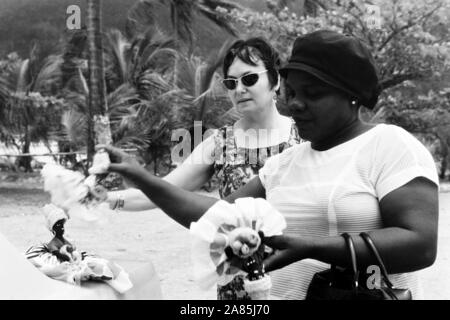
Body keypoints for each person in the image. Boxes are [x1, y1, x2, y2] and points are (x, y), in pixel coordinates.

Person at [100, 30, 439, 300]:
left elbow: (420, 244)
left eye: (312, 93)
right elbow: (217, 216)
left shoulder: (389, 146)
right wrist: (140, 176)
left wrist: (311, 247)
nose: (297, 104)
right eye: (292, 93)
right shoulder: (283, 164)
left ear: (351, 95)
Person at [107, 37, 301, 300]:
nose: (239, 89)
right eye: (231, 83)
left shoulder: (303, 137)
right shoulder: (218, 144)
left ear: (276, 80)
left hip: (296, 280)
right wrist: (106, 198)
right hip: (237, 287)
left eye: (249, 79)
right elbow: (162, 191)